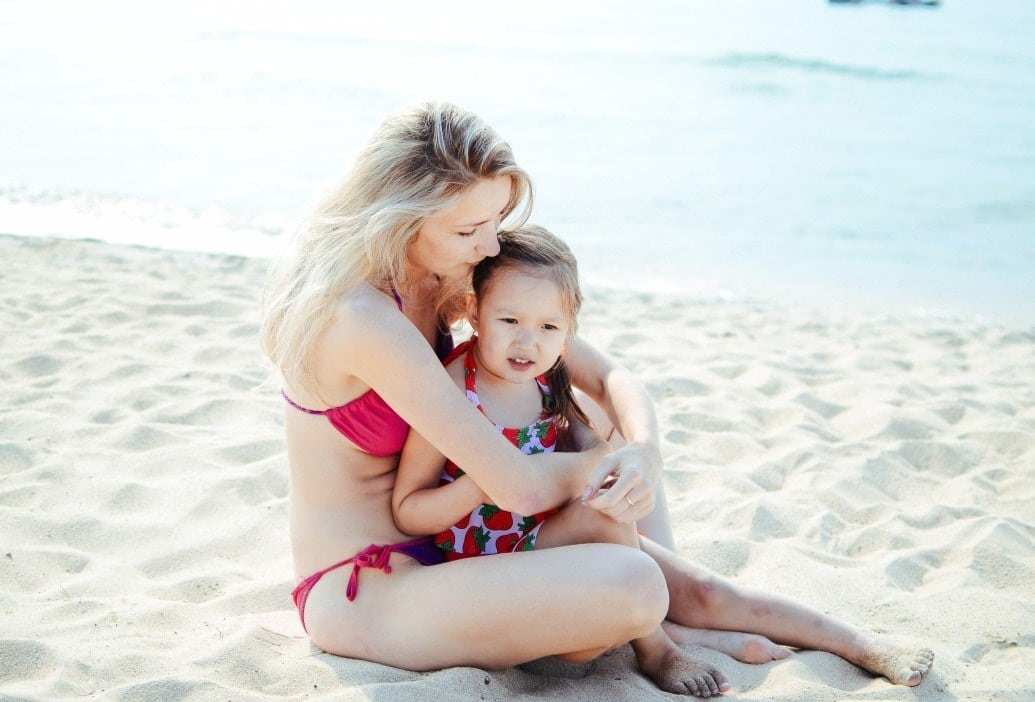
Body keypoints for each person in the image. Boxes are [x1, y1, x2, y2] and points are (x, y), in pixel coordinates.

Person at [259, 101, 933, 698]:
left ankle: (685, 617)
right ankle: (662, 623)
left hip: (465, 551)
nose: (489, 245)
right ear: (400, 217)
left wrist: (641, 454)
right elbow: (519, 488)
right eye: (469, 230)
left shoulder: (443, 274)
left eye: (495, 221)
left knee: (603, 425)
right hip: (371, 588)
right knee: (634, 577)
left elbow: (613, 379)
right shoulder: (360, 316)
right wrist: (602, 467)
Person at [393, 224, 772, 694]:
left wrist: (628, 456)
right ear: (475, 311)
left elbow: (604, 405)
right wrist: (477, 486)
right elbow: (407, 510)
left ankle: (663, 624)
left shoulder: (549, 376)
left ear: (567, 332)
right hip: (487, 559)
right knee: (612, 526)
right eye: (509, 321)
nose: (527, 344)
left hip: (545, 535)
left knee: (608, 510)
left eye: (548, 327)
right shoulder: (452, 390)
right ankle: (657, 648)